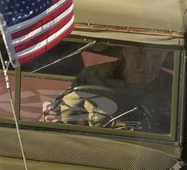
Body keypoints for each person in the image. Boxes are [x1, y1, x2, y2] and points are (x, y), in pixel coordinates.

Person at [46, 43, 174, 132]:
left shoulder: (175, 91)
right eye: (140, 53)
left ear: (164, 58)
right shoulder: (92, 78)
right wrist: (52, 116)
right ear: (126, 50)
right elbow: (62, 121)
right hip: (99, 154)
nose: (147, 64)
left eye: (156, 57)